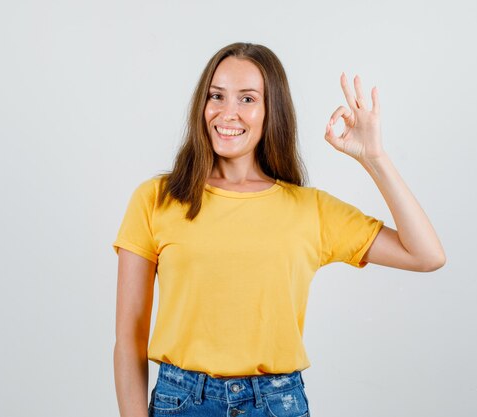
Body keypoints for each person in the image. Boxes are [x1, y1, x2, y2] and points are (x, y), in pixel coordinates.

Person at [112, 42, 445, 417]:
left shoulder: (309, 209)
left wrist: (375, 158)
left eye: (248, 99)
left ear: (273, 111)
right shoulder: (156, 198)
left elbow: (426, 255)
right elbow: (129, 340)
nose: (227, 112)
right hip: (182, 401)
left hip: (275, 404)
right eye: (216, 96)